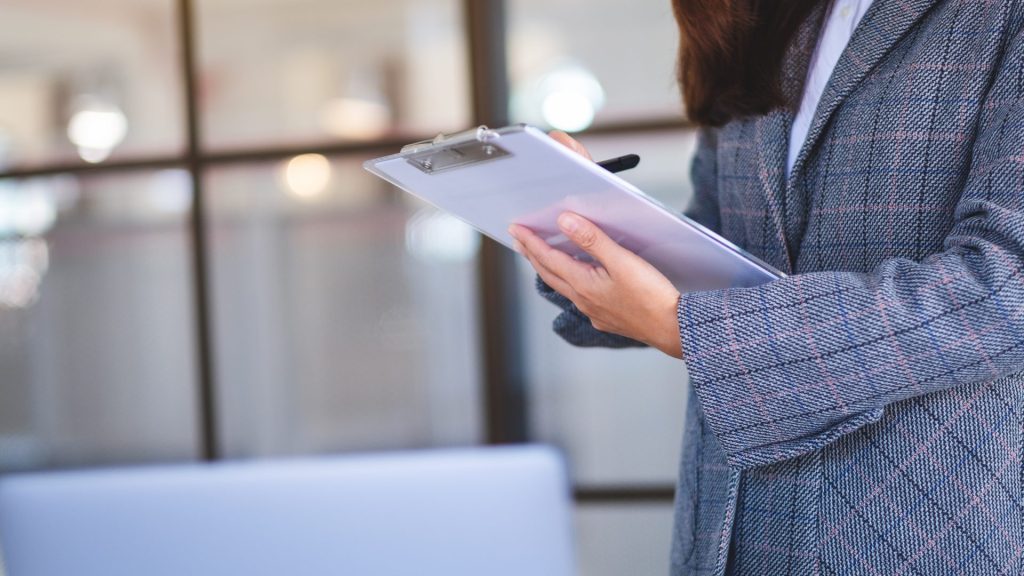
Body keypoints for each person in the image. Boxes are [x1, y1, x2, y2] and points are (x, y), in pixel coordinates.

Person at [508, 0, 1024, 574]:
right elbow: (719, 248)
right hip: (723, 526)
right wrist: (588, 239)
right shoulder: (759, 16)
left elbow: (1008, 289)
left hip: (918, 525)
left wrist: (690, 330)